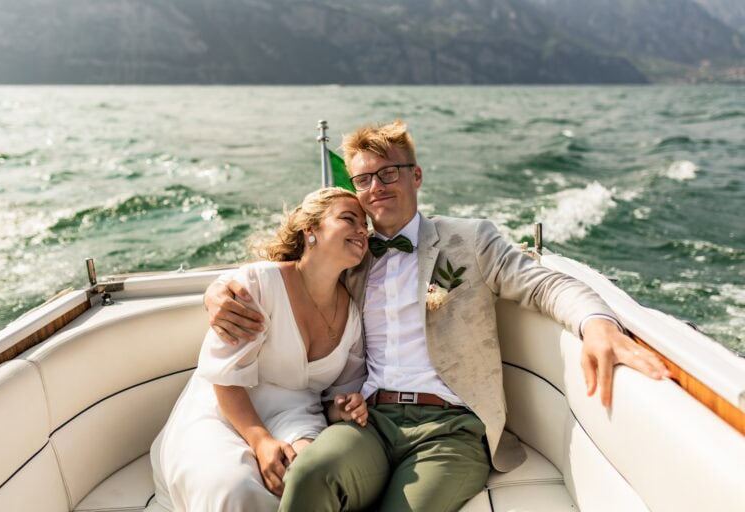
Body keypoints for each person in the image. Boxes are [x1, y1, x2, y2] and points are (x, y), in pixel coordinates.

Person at [204, 121, 671, 512]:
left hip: (452, 428)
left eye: (388, 174)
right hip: (371, 419)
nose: (375, 188)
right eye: (363, 180)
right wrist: (217, 292)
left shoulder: (469, 240)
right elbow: (292, 277)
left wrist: (597, 323)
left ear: (416, 176)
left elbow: (542, 284)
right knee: (310, 476)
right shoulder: (352, 258)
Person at [150, 187, 371, 512]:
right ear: (311, 230)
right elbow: (224, 380)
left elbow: (334, 398)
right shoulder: (258, 284)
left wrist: (343, 408)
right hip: (224, 409)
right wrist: (261, 441)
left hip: (297, 416)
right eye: (348, 219)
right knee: (236, 490)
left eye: (365, 224)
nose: (362, 229)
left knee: (306, 480)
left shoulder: (352, 314)